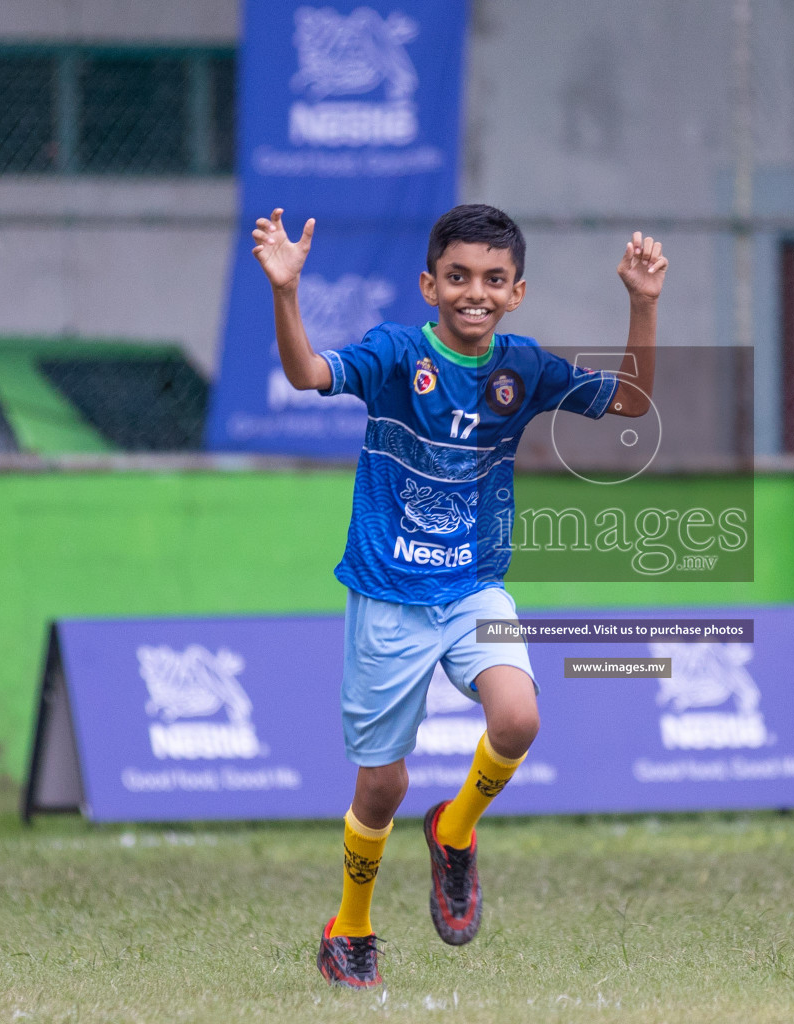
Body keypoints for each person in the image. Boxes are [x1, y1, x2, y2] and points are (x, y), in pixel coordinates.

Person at [251, 203, 667, 989]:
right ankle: (352, 928)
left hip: (474, 587)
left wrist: (643, 304)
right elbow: (308, 374)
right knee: (382, 785)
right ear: (429, 284)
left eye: (493, 279)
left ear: (515, 292)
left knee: (519, 716)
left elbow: (631, 405)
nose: (474, 292)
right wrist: (285, 291)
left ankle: (455, 829)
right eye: (458, 277)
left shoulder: (525, 367)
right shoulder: (393, 354)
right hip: (388, 596)